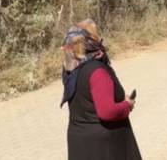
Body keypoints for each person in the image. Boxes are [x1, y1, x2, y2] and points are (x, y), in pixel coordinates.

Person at [60, 19, 142, 160]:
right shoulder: (97, 71)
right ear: (91, 40)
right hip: (104, 145)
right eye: (96, 35)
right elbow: (107, 112)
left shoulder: (71, 68)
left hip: (79, 141)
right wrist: (126, 105)